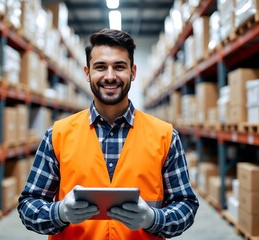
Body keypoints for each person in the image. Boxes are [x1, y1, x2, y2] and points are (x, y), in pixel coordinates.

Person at [17, 28, 199, 240]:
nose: (110, 76)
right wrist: (59, 213)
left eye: (119, 67)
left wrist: (153, 219)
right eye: (100, 67)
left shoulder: (165, 136)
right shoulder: (58, 135)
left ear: (133, 72)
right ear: (87, 73)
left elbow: (186, 204)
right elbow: (28, 205)